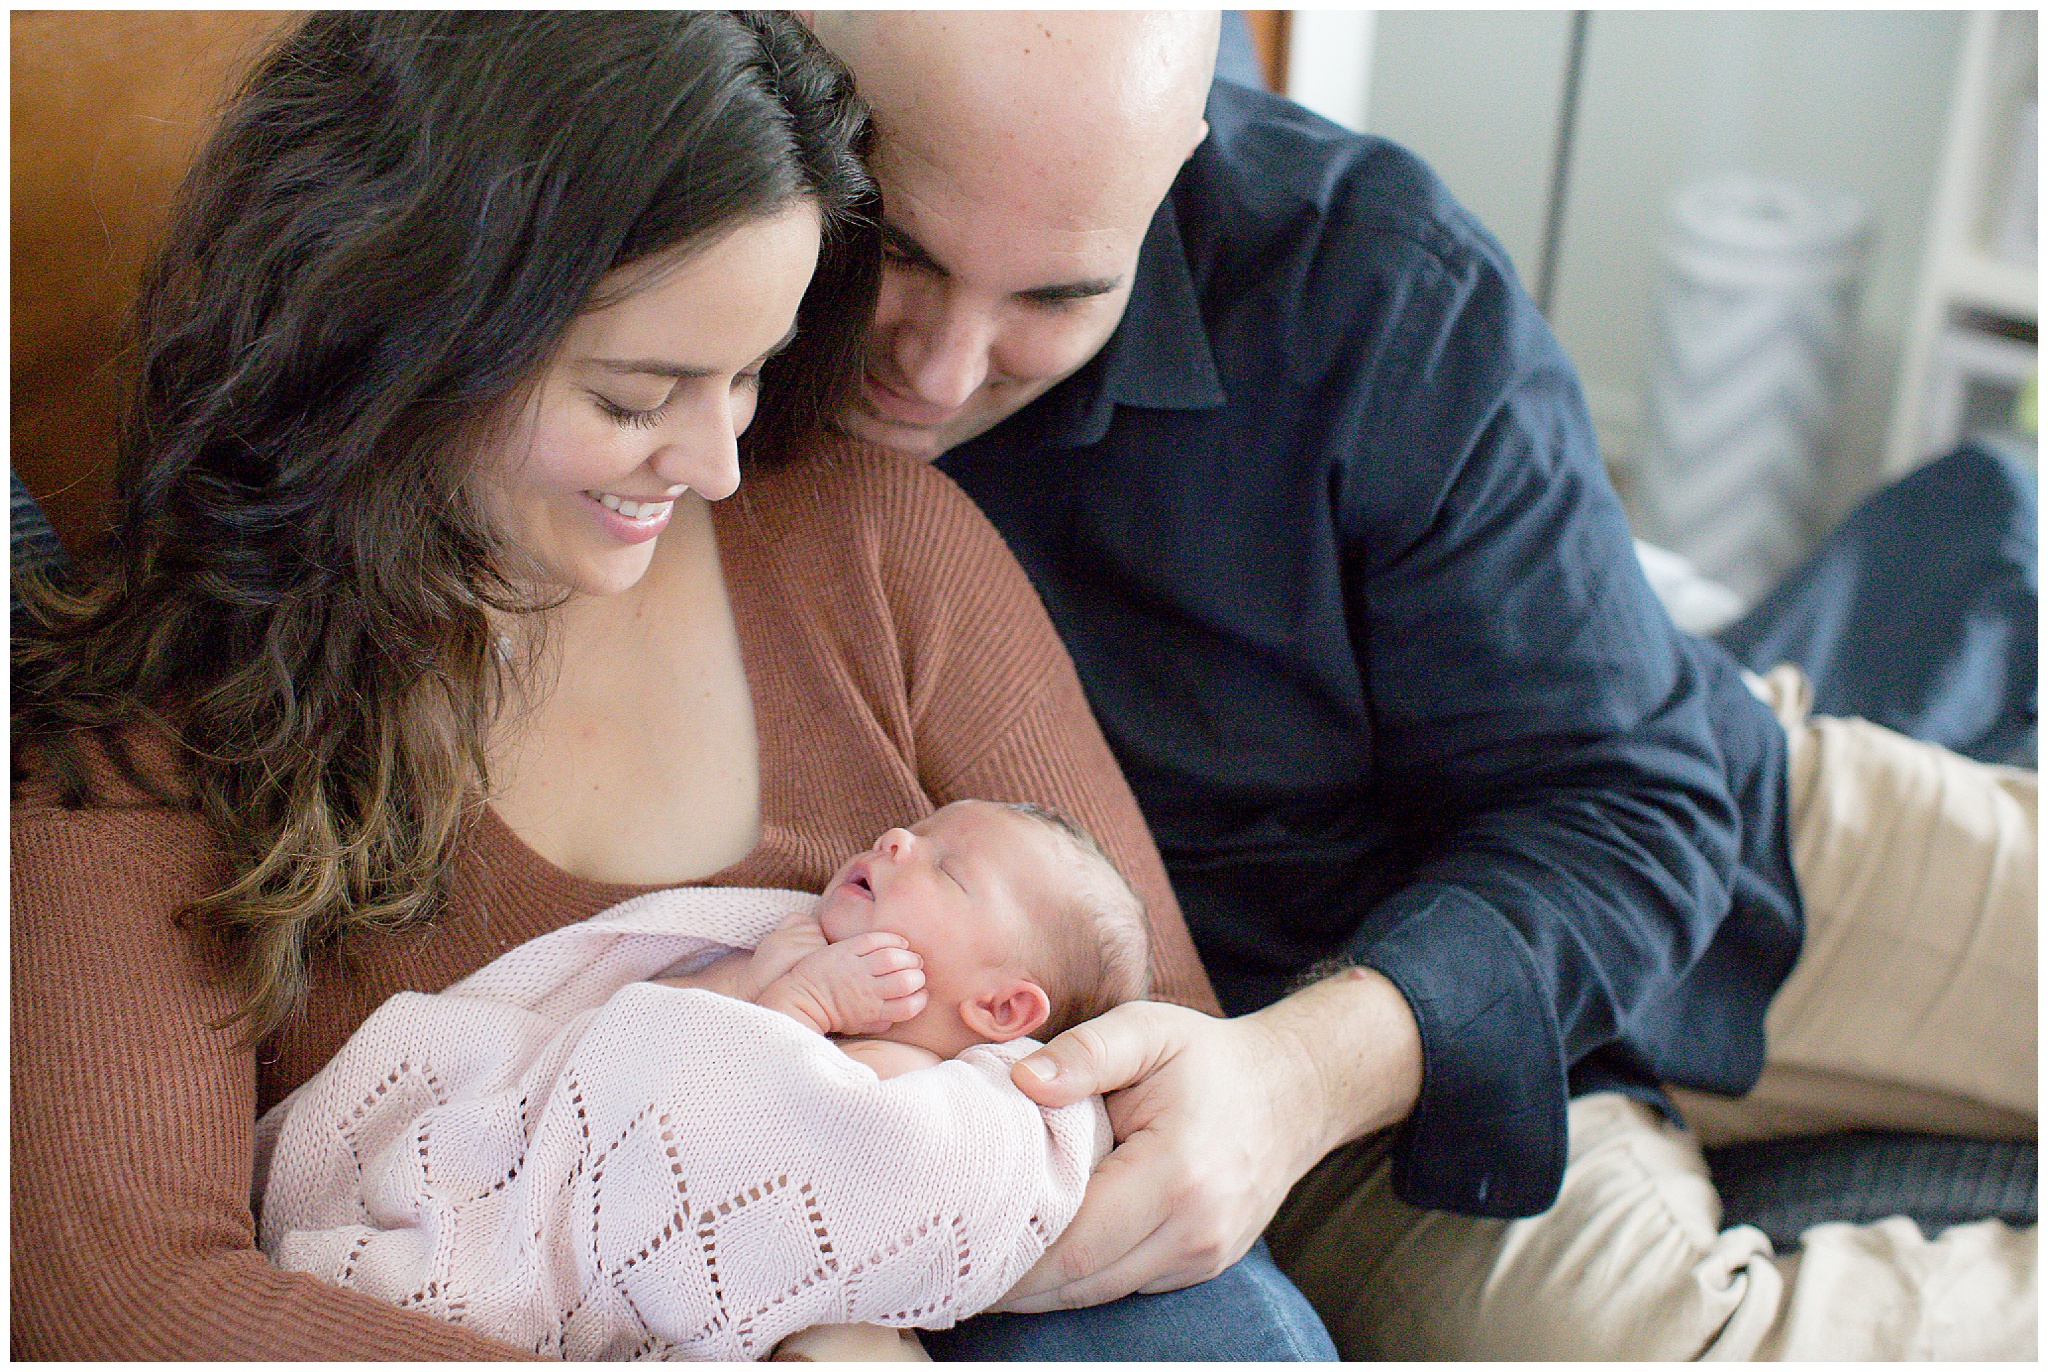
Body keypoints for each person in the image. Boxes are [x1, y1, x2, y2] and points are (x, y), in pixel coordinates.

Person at [10, 13, 1333, 1360]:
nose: (715, 464)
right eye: (642, 395)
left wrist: (871, 1313)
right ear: (401, 332)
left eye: (751, 371)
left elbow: (1148, 1059)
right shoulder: (157, 737)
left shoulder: (873, 542)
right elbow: (124, 1299)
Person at [807, 11, 2036, 1360]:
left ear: (1177, 175)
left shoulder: (1373, 276)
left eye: (1057, 297)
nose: (935, 367)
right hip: (1279, 1075)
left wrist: (1302, 1074)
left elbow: (1636, 790)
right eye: (901, 250)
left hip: (1668, 862)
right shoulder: (692, 326)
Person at [254, 799, 1154, 1358]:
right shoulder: (780, 944)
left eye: (946, 866)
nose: (896, 840)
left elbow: (757, 1138)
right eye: (913, 830)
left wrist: (797, 1008)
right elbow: (636, 1032)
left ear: (1003, 1013)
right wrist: (768, 978)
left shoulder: (921, 1093)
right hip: (525, 1181)